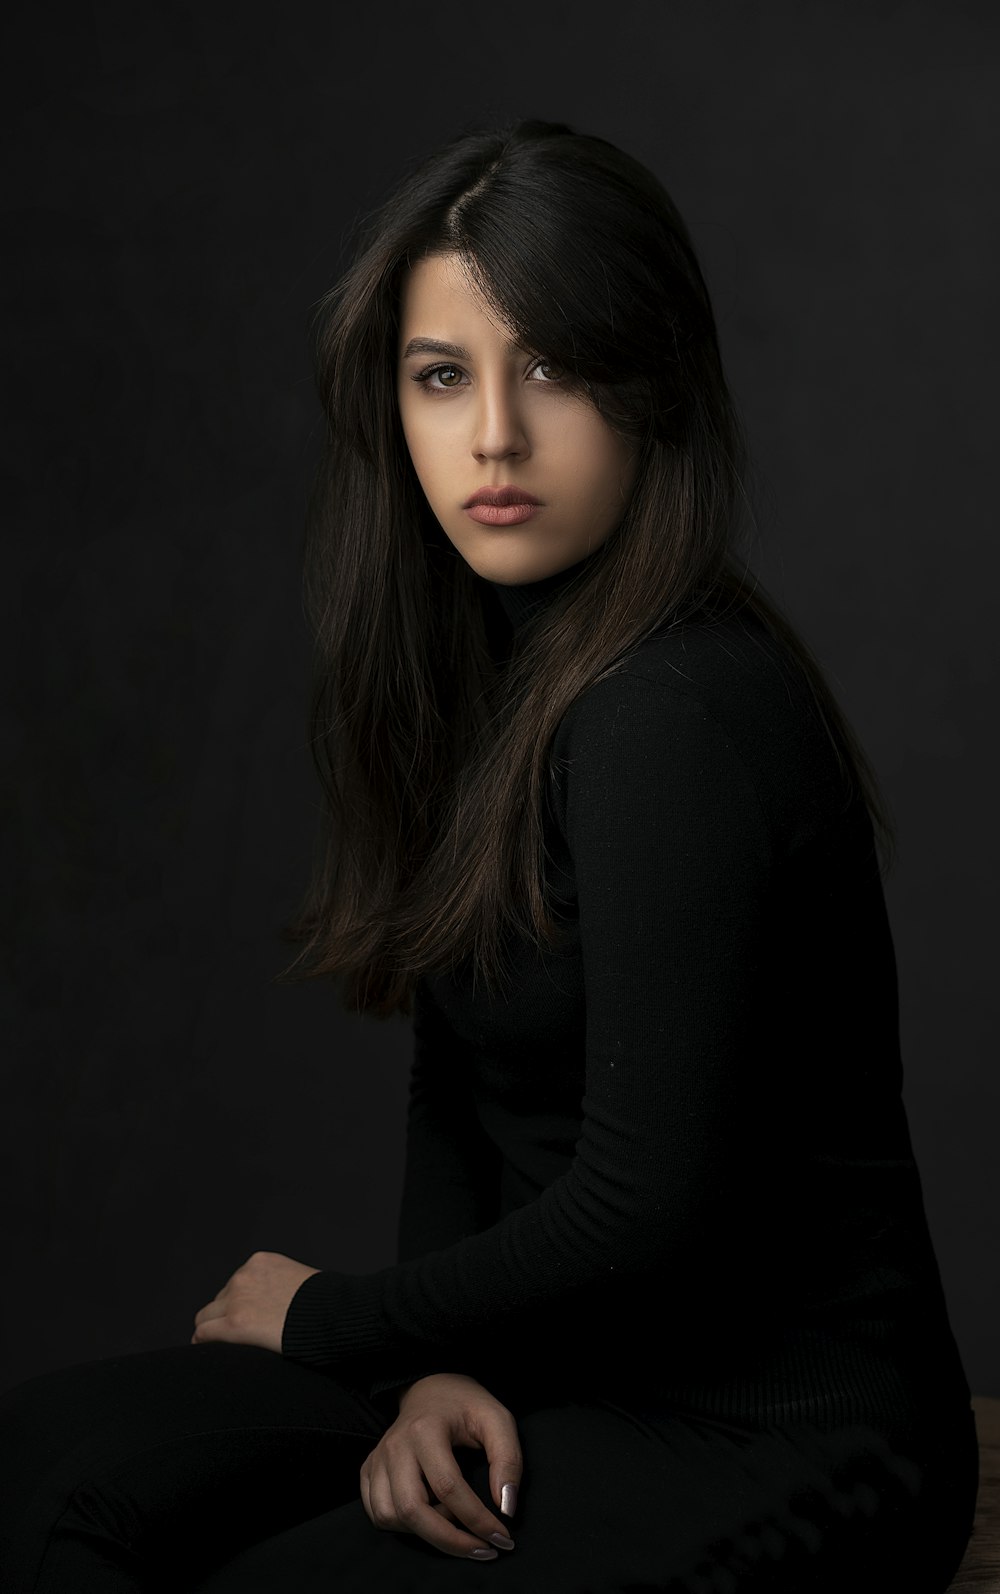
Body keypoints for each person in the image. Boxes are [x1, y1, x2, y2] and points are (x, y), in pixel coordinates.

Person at [0, 117, 979, 1593]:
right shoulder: (476, 676)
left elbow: (643, 1211)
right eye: (443, 375)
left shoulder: (675, 712)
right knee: (41, 1476)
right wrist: (429, 1373)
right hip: (556, 1370)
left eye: (557, 367)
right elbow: (461, 1083)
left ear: (654, 391)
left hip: (776, 1430)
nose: (496, 436)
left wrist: (337, 1319)